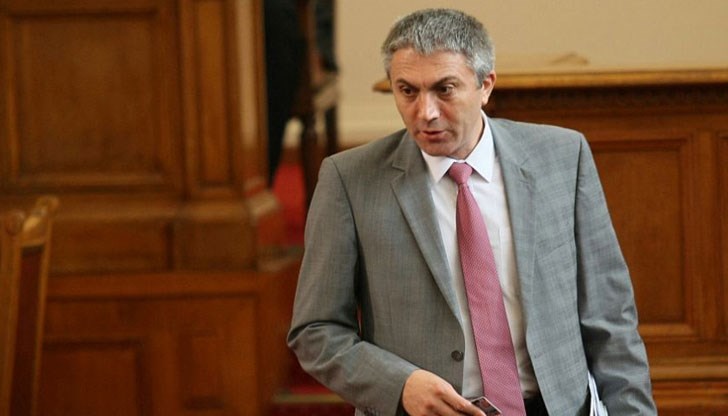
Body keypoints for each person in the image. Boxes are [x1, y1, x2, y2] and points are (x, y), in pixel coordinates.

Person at [287, 8, 656, 416]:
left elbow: (611, 320)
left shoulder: (563, 158)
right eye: (407, 91)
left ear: (485, 86)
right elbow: (315, 331)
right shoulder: (350, 180)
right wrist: (399, 385)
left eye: (444, 89)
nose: (425, 112)